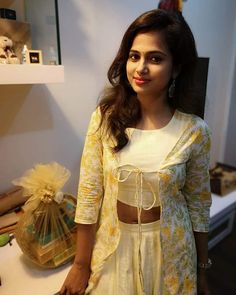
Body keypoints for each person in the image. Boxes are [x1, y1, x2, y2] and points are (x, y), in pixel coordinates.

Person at [60, 9, 212, 295]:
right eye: (134, 56)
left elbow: (199, 207)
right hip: (114, 248)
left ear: (176, 67)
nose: (140, 68)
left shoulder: (194, 131)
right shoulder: (105, 118)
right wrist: (80, 264)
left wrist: (202, 271)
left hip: (171, 255)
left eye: (155, 58)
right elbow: (90, 193)